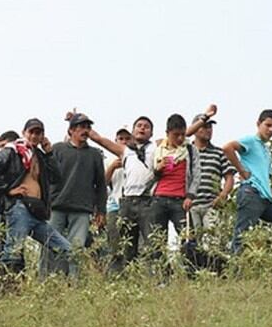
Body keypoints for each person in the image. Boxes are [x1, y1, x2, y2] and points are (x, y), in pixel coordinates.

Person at [0, 118, 71, 277]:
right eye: (31, 132)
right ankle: (3, 289)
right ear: (24, 133)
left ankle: (61, 282)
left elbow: (57, 177)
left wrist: (49, 152)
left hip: (37, 212)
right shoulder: (12, 151)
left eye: (38, 133)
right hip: (19, 207)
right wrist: (9, 189)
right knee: (13, 252)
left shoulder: (39, 155)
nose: (34, 136)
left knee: (65, 248)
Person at [223, 109, 272, 253]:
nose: (271, 130)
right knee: (242, 236)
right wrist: (241, 170)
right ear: (258, 124)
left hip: (265, 198)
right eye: (268, 125)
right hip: (251, 193)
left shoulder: (266, 151)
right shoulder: (251, 141)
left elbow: (265, 182)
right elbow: (227, 148)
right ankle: (233, 272)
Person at [89, 116, 156, 269]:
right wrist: (79, 122)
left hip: (148, 201)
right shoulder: (123, 153)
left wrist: (204, 117)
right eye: (139, 125)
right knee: (123, 247)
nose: (142, 128)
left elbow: (177, 135)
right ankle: (122, 278)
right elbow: (99, 139)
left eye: (146, 126)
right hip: (123, 204)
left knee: (149, 245)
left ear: (151, 133)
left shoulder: (155, 147)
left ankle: (149, 279)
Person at [44, 113, 107, 276]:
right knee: (50, 245)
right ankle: (47, 282)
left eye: (88, 127)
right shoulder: (58, 149)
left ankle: (74, 284)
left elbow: (100, 184)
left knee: (77, 249)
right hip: (56, 205)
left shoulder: (95, 154)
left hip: (82, 208)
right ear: (71, 130)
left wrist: (101, 210)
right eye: (81, 127)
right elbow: (45, 177)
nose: (85, 131)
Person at [148, 114, 201, 244]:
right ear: (167, 133)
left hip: (180, 200)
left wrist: (190, 196)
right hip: (159, 198)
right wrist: (158, 169)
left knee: (188, 239)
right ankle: (160, 264)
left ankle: (189, 264)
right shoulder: (157, 151)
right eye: (176, 134)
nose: (180, 138)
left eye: (183, 134)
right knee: (157, 241)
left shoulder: (189, 149)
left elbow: (197, 174)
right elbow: (148, 178)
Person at [184, 107, 235, 235]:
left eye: (210, 127)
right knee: (192, 243)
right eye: (204, 126)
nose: (208, 130)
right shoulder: (186, 151)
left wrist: (222, 196)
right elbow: (182, 134)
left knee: (213, 243)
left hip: (211, 204)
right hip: (191, 204)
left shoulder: (219, 152)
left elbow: (229, 177)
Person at [104, 128, 133, 262]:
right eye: (121, 139)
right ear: (115, 141)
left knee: (132, 243)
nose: (124, 142)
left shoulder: (137, 157)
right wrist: (112, 168)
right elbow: (103, 182)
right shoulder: (109, 160)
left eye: (127, 139)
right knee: (114, 243)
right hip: (114, 205)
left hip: (133, 205)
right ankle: (115, 274)